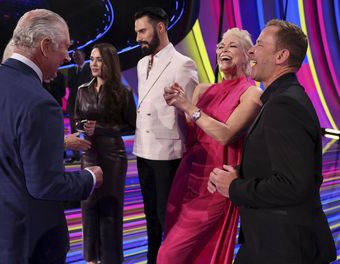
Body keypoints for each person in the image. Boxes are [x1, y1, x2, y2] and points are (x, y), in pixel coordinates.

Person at [0, 9, 103, 264]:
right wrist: (89, 178)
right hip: (30, 240)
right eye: (64, 48)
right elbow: (45, 185)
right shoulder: (41, 103)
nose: (66, 57)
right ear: (45, 46)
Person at [209, 19, 336, 264]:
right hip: (271, 241)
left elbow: (291, 185)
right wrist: (237, 174)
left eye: (258, 44)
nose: (251, 51)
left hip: (283, 246)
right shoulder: (281, 99)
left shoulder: (284, 105)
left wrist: (234, 188)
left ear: (281, 55)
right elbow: (282, 165)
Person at [157, 28, 262, 264]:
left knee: (168, 256)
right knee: (180, 251)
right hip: (187, 178)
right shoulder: (203, 90)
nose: (223, 49)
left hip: (216, 185)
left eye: (232, 46)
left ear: (247, 54)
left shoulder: (252, 93)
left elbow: (226, 135)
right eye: (221, 46)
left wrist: (187, 107)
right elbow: (190, 135)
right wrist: (175, 104)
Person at [133, 7, 199, 263]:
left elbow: (190, 110)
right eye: (137, 32)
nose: (138, 37)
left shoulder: (183, 63)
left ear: (160, 27)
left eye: (142, 31)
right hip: (143, 149)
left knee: (168, 216)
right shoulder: (140, 64)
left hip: (168, 152)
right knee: (150, 215)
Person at [74, 43, 136, 264]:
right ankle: (91, 258)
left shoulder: (122, 92)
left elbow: (131, 125)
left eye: (99, 59)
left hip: (113, 155)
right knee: (89, 206)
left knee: (110, 209)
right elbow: (77, 119)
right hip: (89, 154)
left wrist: (100, 129)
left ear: (109, 62)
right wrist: (82, 127)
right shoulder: (82, 90)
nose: (94, 63)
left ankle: (111, 260)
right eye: (92, 59)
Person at [67, 48, 92, 163]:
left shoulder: (89, 68)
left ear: (83, 56)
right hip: (73, 104)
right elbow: (70, 86)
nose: (76, 58)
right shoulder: (71, 70)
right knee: (74, 130)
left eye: (78, 55)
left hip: (86, 104)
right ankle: (76, 155)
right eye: (74, 56)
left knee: (87, 128)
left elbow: (87, 85)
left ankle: (89, 153)